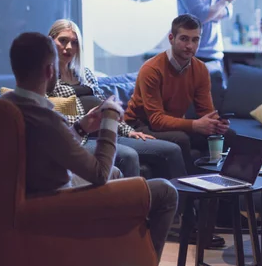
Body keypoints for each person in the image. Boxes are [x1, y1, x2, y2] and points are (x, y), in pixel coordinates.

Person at [3, 32, 183, 266]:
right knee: (165, 192)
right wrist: (110, 118)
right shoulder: (45, 117)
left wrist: (81, 128)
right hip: (55, 204)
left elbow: (44, 148)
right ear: (50, 70)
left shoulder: (5, 108)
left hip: (29, 195)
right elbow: (96, 173)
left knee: (116, 173)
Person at [47, 19, 187, 180]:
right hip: (83, 137)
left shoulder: (85, 74)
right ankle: (129, 204)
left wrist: (130, 131)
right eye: (63, 41)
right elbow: (52, 118)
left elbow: (106, 107)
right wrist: (87, 120)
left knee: (172, 150)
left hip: (109, 131)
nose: (69, 47)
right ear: (50, 41)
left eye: (75, 42)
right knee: (129, 156)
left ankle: (186, 204)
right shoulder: (46, 77)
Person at [124, 14, 234, 173]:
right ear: (171, 38)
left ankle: (224, 192)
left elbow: (206, 112)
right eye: (184, 39)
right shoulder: (152, 69)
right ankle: (189, 193)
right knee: (180, 139)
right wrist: (195, 125)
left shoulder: (201, 69)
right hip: (140, 126)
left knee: (229, 136)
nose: (190, 45)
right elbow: (156, 120)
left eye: (195, 40)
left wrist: (216, 123)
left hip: (170, 123)